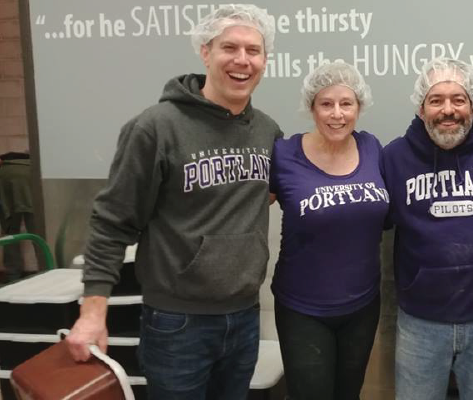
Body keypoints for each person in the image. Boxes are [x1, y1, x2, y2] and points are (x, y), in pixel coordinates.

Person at [65, 5, 282, 399]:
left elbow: (261, 194)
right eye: (229, 47)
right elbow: (111, 222)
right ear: (205, 51)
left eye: (254, 50)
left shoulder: (267, 130)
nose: (242, 60)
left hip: (244, 317)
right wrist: (92, 314)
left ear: (265, 60)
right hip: (178, 323)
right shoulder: (156, 127)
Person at [382, 58, 473, 399]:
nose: (448, 110)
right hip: (420, 323)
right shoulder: (393, 158)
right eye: (436, 100)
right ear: (421, 108)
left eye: (458, 99)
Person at [269, 61, 388, 399]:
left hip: (362, 306)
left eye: (346, 103)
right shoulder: (284, 155)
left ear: (359, 107)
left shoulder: (371, 148)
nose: (337, 114)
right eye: (326, 104)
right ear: (311, 107)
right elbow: (244, 208)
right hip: (303, 310)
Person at [0, 152, 34, 283]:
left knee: (10, 233)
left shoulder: (5, 168)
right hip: (30, 175)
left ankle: (12, 277)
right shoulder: (32, 165)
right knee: (38, 233)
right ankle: (47, 270)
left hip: (4, 178)